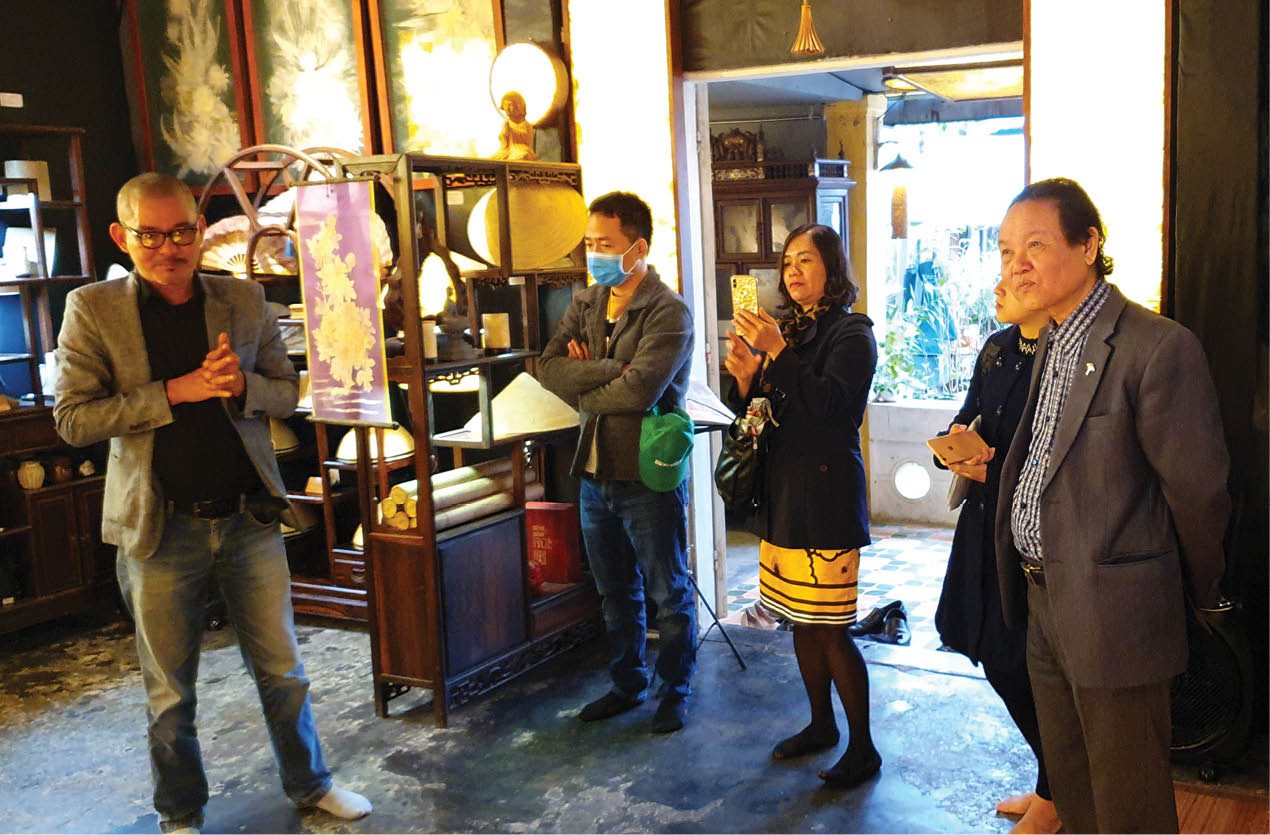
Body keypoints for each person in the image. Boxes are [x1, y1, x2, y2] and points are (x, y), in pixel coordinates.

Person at [53, 173, 371, 833]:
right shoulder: (93, 308)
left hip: (249, 518)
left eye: (181, 232)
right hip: (159, 528)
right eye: (149, 235)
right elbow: (74, 420)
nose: (168, 247)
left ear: (199, 231)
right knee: (170, 692)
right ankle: (180, 813)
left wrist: (241, 386)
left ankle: (311, 784)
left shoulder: (243, 298)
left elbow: (287, 391)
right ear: (121, 237)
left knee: (284, 671)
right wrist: (178, 391)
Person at [993, 178, 1229, 833]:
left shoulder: (1157, 347)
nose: (1016, 264)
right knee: (1073, 790)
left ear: (1089, 243)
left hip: (1117, 616)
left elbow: (1199, 494)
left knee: (1131, 808)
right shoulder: (1051, 341)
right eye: (1007, 250)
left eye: (1035, 245)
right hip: (1044, 602)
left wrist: (1196, 596)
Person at [725, 223, 880, 787]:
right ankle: (821, 724)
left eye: (806, 260)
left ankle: (863, 747)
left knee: (831, 628)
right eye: (787, 262)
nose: (792, 271)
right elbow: (766, 415)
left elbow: (831, 411)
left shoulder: (852, 333)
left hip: (826, 499)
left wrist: (777, 353)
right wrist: (747, 381)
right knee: (799, 621)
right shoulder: (788, 331)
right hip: (784, 496)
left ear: (832, 269)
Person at [538, 191, 696, 733]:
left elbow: (640, 392)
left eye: (605, 245)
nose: (594, 254)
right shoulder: (586, 303)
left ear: (638, 248)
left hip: (646, 472)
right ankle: (627, 684)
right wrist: (611, 370)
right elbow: (547, 367)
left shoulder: (668, 311)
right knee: (614, 593)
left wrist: (588, 379)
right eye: (589, 243)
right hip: (593, 471)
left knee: (667, 592)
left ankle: (674, 691)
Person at [932, 278, 1060, 834]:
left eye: (1023, 259)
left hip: (1033, 534)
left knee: (1027, 662)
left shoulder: (1065, 352)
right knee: (991, 652)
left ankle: (1055, 793)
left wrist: (997, 469)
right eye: (1005, 259)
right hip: (983, 527)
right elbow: (968, 415)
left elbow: (1060, 459)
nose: (1002, 282)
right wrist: (953, 444)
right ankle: (1052, 783)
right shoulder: (997, 348)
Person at [491, 91, 535, 160]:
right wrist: (505, 134)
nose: (507, 108)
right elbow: (504, 142)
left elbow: (526, 139)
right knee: (494, 159)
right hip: (507, 150)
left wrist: (511, 131)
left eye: (510, 105)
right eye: (505, 105)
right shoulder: (506, 124)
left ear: (518, 106)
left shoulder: (526, 125)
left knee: (520, 156)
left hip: (520, 149)